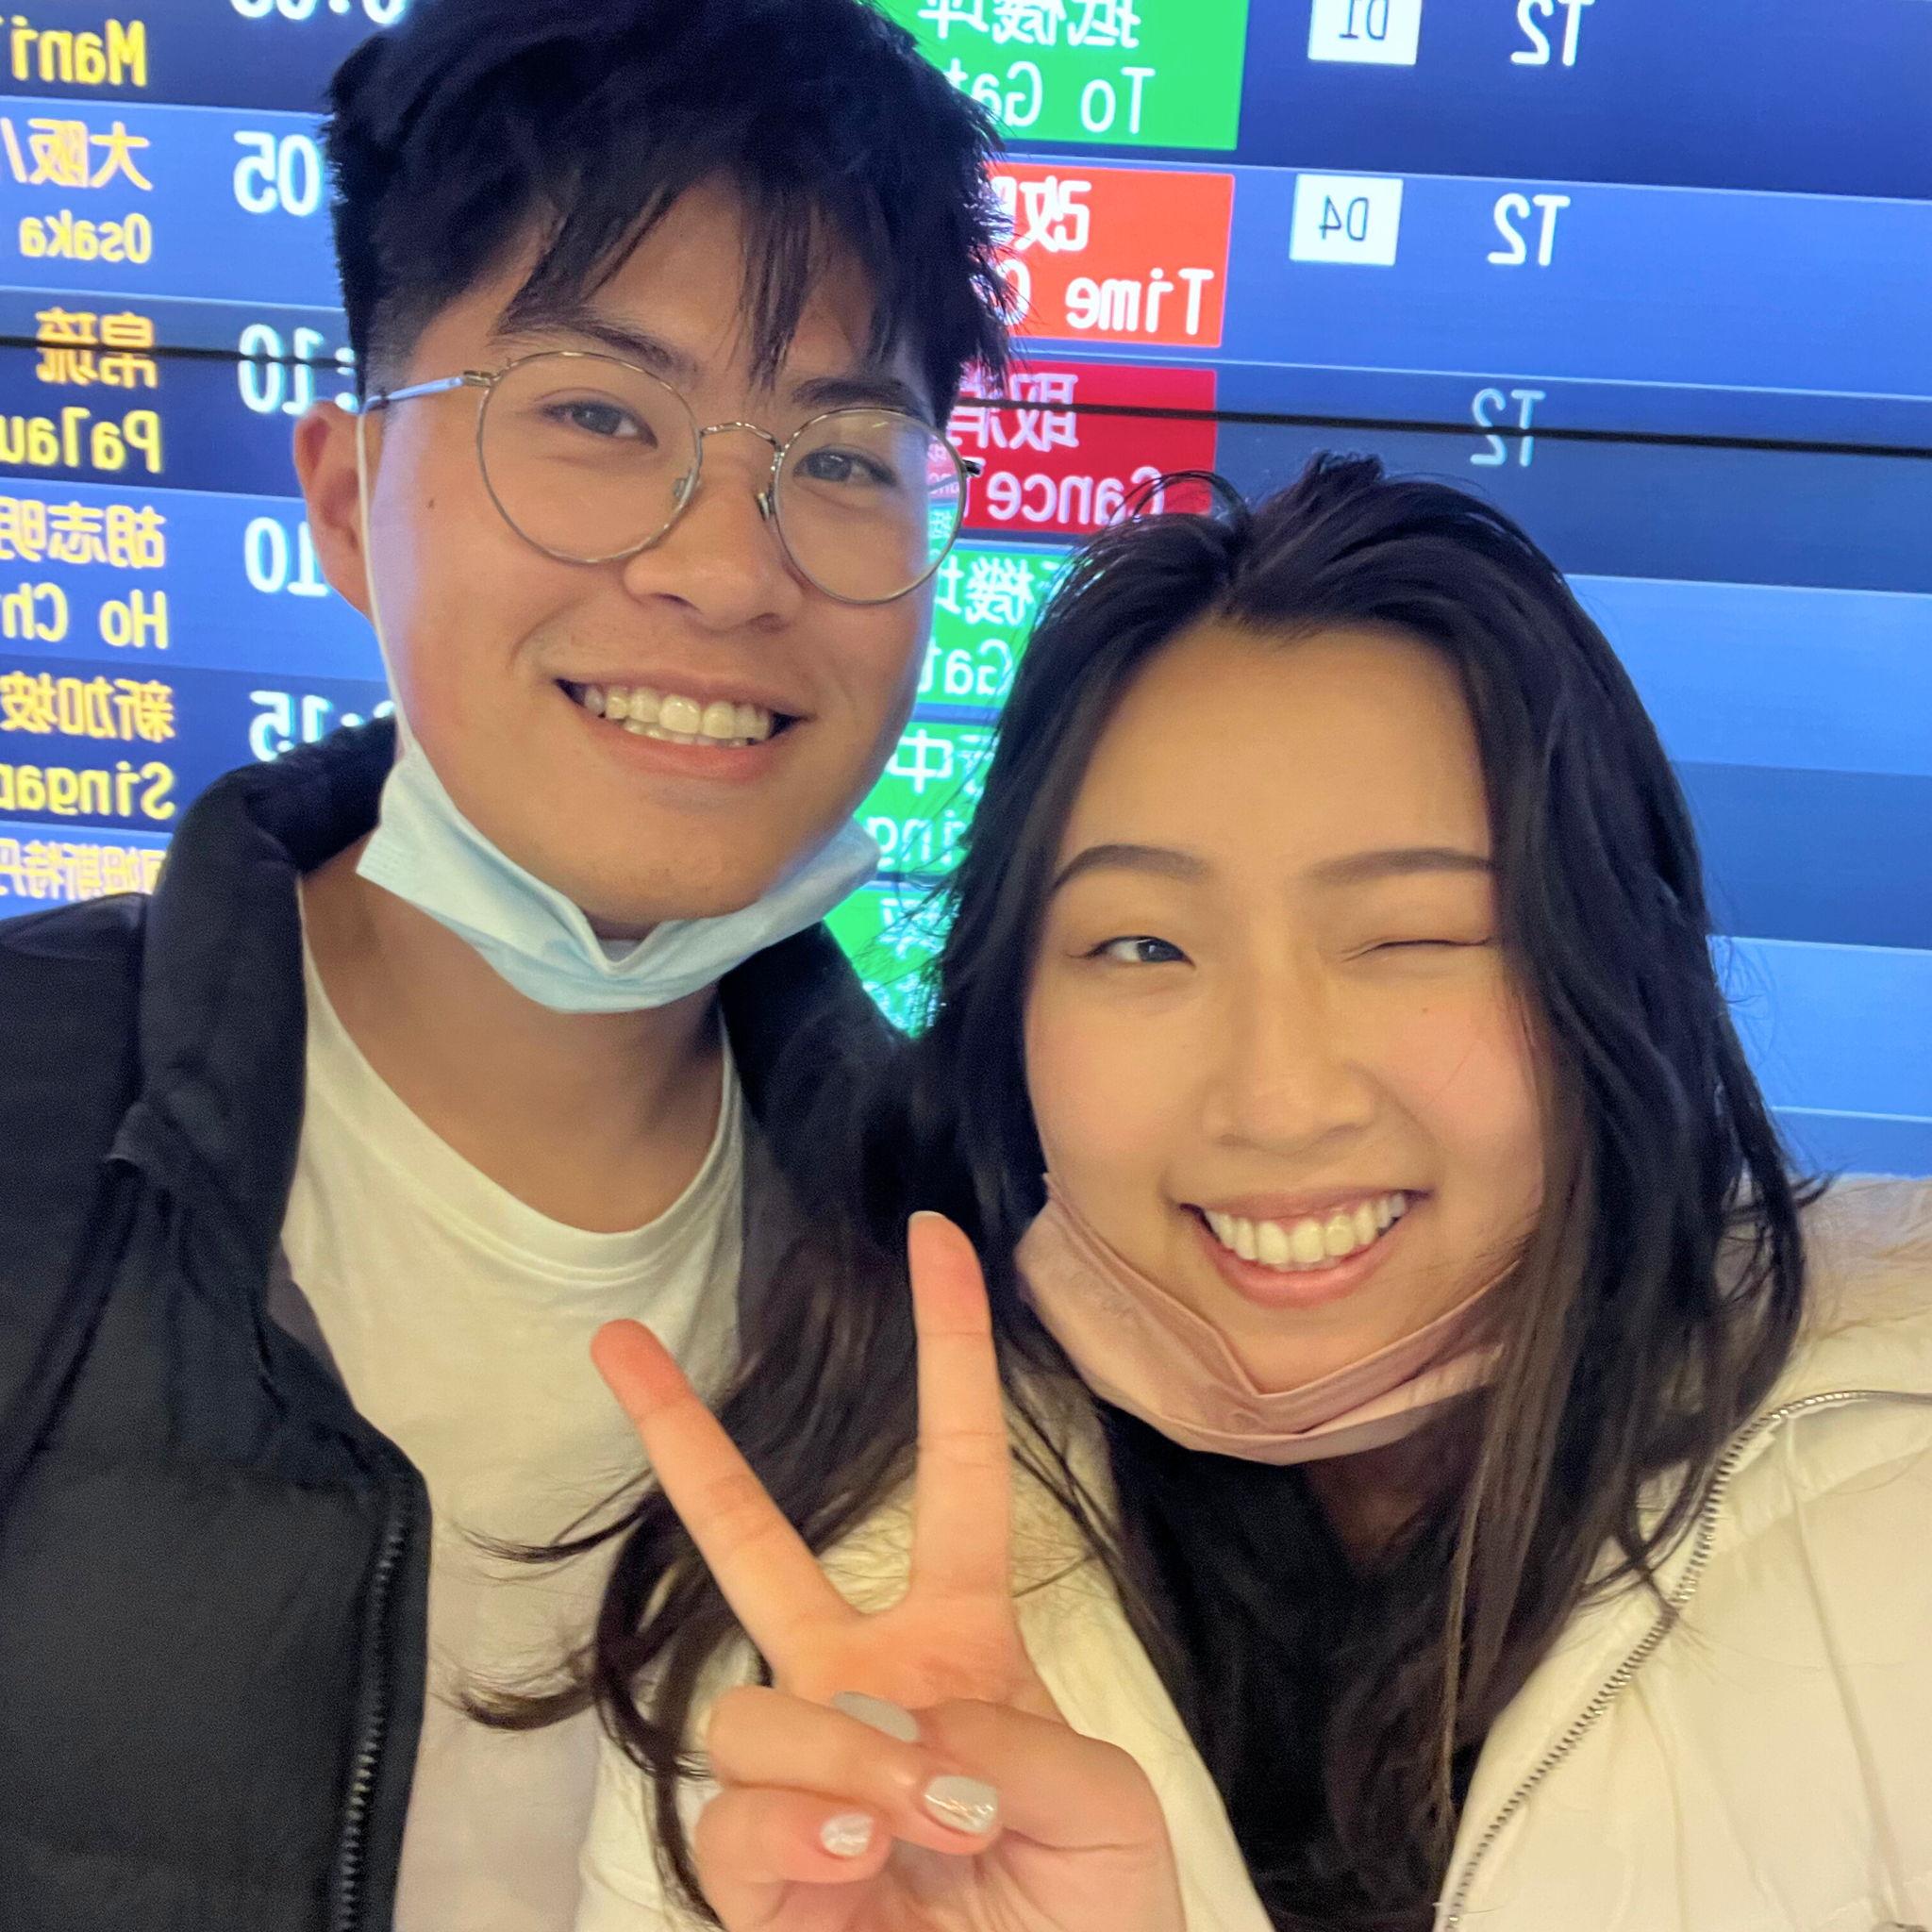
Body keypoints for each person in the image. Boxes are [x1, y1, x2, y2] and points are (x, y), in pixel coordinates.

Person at [555, 457, 1932, 1932]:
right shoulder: (830, 1657)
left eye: (1413, 937)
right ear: (1008, 1021)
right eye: (1143, 948)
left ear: (1617, 979)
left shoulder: (1894, 1511)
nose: (1277, 1100)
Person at [0, 2, 1010, 1926]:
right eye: (598, 418)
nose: (728, 567)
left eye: (844, 455)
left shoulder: (983, 1239)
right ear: (337, 498)